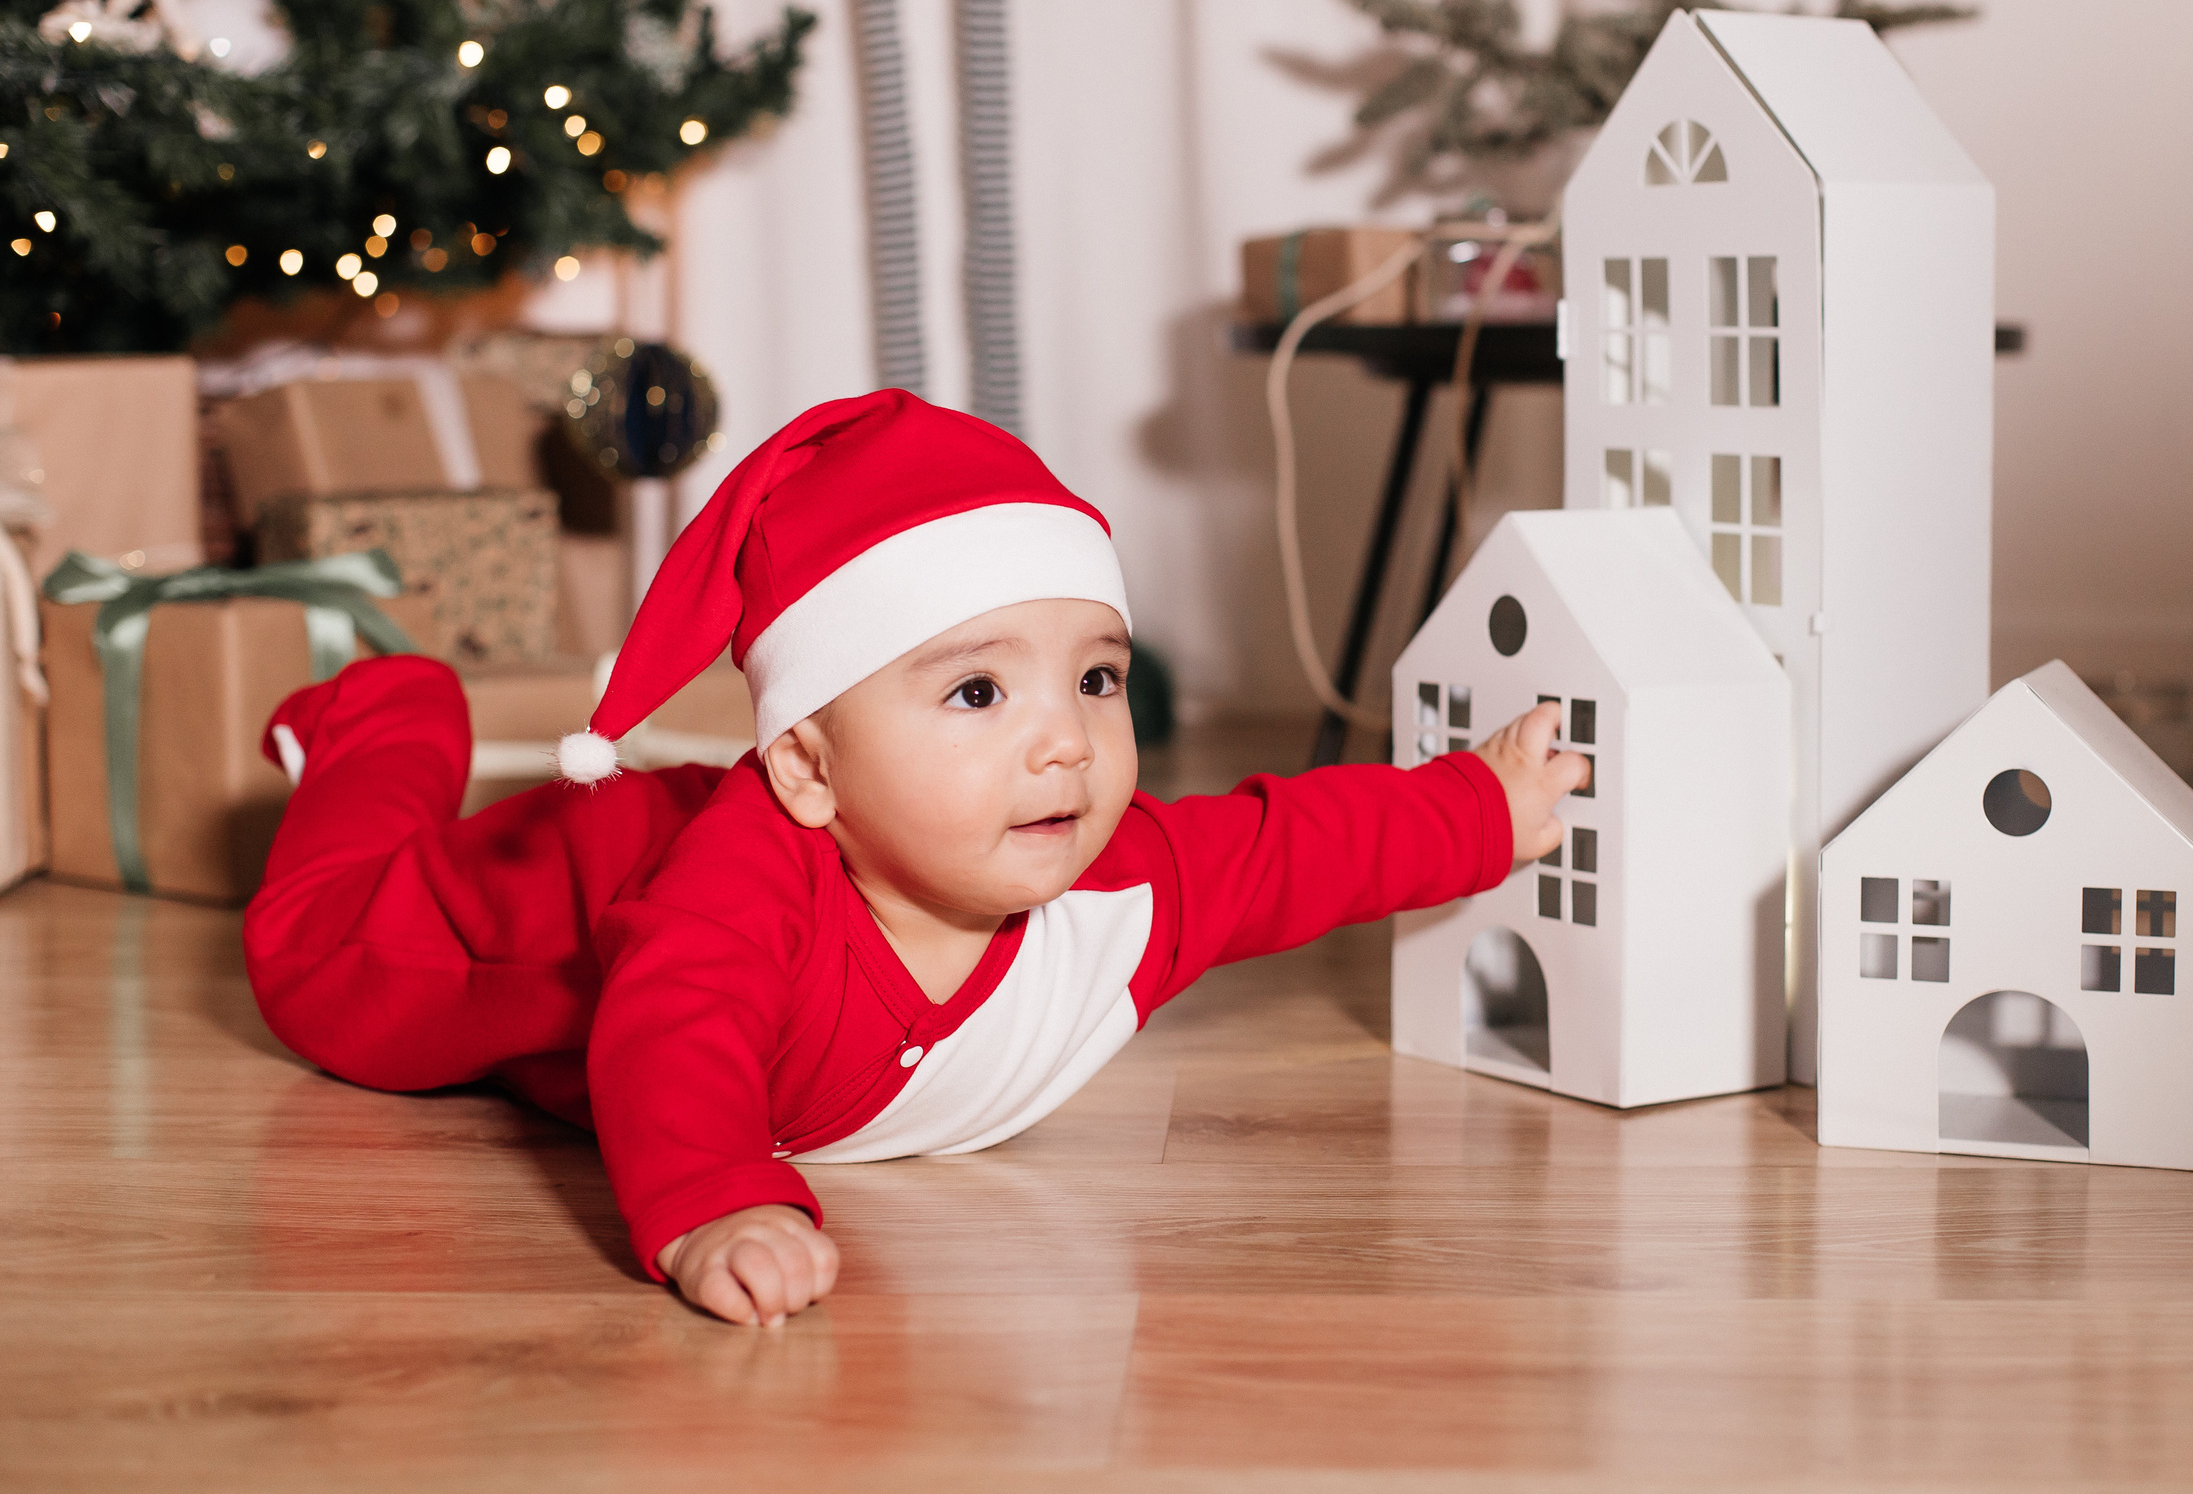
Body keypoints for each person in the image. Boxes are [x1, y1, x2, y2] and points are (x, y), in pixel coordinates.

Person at [244, 391, 1588, 1327]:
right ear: (813, 768)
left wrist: (1483, 808)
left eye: (1099, 678)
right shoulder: (739, 890)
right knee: (324, 974)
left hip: (695, 874)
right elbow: (676, 1023)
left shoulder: (1121, 887)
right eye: (979, 695)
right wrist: (716, 1207)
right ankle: (387, 720)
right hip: (537, 915)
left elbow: (1290, 845)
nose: (1066, 742)